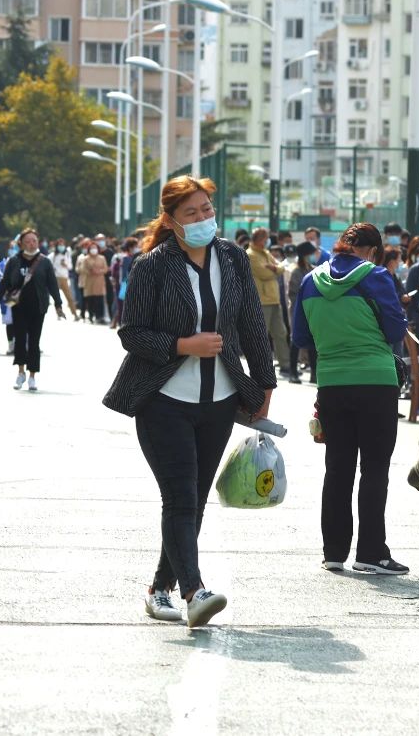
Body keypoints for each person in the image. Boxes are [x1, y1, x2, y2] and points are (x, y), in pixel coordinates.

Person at [102, 175, 276, 628]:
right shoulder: (152, 266)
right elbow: (132, 333)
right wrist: (184, 345)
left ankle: (159, 587)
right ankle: (194, 591)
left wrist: (265, 386)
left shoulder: (233, 258)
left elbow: (253, 325)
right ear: (171, 220)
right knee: (179, 496)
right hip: (163, 400)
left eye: (206, 209)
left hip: (219, 400)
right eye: (191, 213)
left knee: (193, 501)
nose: (202, 219)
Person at [291, 222, 409, 576]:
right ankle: (371, 553)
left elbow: (300, 336)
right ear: (373, 251)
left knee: (337, 468)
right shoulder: (375, 276)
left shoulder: (311, 280)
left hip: (331, 383)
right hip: (375, 381)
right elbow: (394, 329)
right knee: (374, 469)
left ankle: (334, 552)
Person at [0, 228, 65, 390]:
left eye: (34, 241)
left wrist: (58, 305)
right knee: (20, 340)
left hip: (39, 307)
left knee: (34, 341)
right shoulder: (14, 261)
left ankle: (32, 375)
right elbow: (4, 283)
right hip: (18, 307)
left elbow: (52, 284)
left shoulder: (44, 261)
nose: (31, 244)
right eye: (28, 241)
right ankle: (20, 372)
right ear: (21, 243)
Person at [246, 228, 289, 366]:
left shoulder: (265, 252)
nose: (267, 241)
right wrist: (275, 269)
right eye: (265, 238)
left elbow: (281, 267)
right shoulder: (250, 254)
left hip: (274, 299)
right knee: (261, 335)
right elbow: (264, 274)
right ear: (258, 239)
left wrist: (274, 268)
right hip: (261, 300)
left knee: (280, 333)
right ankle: (261, 364)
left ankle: (285, 364)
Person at [286, 241, 319, 384]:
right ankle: (293, 372)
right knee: (296, 340)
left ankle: (314, 373)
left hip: (313, 309)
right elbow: (293, 293)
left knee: (313, 340)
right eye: (311, 253)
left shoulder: (314, 269)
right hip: (298, 309)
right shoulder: (296, 271)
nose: (314, 256)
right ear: (305, 255)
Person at [78, 240, 110, 324]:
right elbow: (82, 269)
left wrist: (99, 271)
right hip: (89, 282)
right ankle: (91, 316)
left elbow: (106, 269)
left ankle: (100, 317)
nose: (94, 250)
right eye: (92, 248)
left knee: (99, 300)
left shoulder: (102, 258)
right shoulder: (86, 259)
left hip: (99, 281)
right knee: (90, 300)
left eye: (95, 248)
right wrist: (90, 271)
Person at [50, 238, 78, 321]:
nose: (61, 246)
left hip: (64, 278)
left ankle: (75, 314)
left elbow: (70, 267)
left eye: (62, 245)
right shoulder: (53, 255)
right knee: (56, 297)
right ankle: (58, 313)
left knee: (69, 297)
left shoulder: (67, 254)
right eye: (59, 245)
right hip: (56, 278)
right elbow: (48, 265)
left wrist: (65, 264)